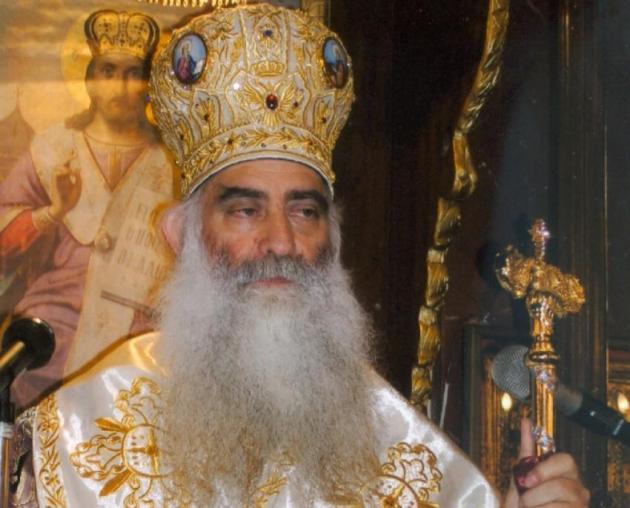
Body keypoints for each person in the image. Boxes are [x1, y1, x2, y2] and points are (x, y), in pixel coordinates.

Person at [10, 4, 589, 507]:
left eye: (305, 211)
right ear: (181, 236)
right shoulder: (84, 429)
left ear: (332, 239)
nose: (281, 241)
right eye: (245, 210)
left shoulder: (394, 441)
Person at [0, 10, 175, 406]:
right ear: (91, 82)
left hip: (138, 335)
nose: (119, 86)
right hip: (54, 329)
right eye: (108, 71)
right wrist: (54, 211)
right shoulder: (52, 148)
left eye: (133, 74)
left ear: (148, 87)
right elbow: (4, 241)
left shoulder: (171, 160)